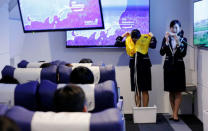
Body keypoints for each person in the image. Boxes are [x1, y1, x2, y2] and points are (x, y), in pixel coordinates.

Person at [115, 29, 157, 107]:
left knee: (145, 89)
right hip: (134, 67)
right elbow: (116, 43)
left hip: (145, 66)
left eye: (136, 39)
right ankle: (138, 109)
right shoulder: (129, 41)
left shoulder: (144, 39)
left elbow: (153, 45)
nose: (135, 40)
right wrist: (123, 35)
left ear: (139, 36)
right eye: (133, 39)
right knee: (136, 90)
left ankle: (145, 110)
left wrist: (152, 36)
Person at [160, 20, 187, 121]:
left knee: (178, 91)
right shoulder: (165, 38)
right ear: (170, 28)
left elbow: (183, 54)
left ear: (179, 28)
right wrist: (166, 42)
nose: (174, 29)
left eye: (176, 28)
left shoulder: (183, 39)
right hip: (168, 67)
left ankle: (175, 114)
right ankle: (174, 113)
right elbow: (161, 53)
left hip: (179, 68)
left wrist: (178, 42)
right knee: (171, 91)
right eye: (172, 27)